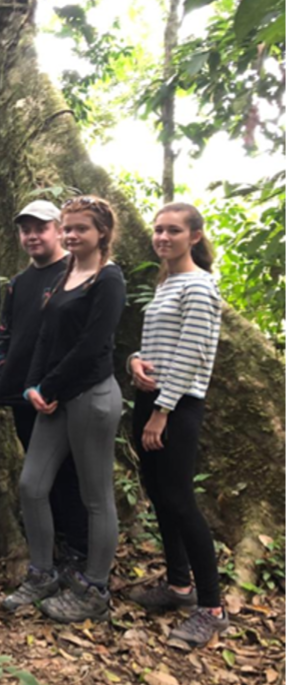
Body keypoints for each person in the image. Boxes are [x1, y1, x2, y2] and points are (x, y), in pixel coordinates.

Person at [9, 196, 126, 624]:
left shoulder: (108, 278)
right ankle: (42, 572)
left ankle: (95, 587)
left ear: (102, 234)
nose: (74, 235)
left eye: (82, 228)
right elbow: (45, 336)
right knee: (31, 484)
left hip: (91, 397)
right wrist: (32, 386)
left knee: (95, 496)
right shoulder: (66, 272)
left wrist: (51, 386)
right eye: (69, 227)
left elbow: (92, 346)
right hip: (53, 397)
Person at [127, 203, 227, 647]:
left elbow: (190, 355)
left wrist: (162, 412)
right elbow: (157, 345)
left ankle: (212, 607)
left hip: (176, 407)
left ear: (195, 236)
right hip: (151, 399)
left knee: (181, 500)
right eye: (158, 230)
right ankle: (178, 585)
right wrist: (133, 361)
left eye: (173, 231)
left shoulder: (201, 287)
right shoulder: (167, 282)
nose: (163, 237)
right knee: (161, 496)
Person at [0, 201, 90, 592]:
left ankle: (79, 551)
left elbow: (86, 339)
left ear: (59, 229)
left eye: (40, 228)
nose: (32, 236)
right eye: (25, 229)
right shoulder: (18, 282)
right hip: (22, 395)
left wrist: (56, 387)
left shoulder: (76, 274)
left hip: (63, 394)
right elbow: (4, 333)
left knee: (69, 473)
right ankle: (54, 550)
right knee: (39, 474)